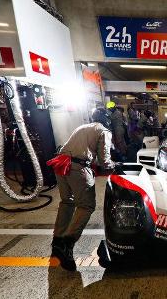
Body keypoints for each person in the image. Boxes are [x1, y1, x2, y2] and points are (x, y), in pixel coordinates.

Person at [47, 108, 115, 271]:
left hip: (61, 164)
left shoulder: (82, 127)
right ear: (106, 119)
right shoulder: (103, 131)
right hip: (78, 168)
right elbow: (104, 161)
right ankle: (67, 244)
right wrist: (114, 165)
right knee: (86, 206)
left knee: (67, 202)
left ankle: (57, 242)